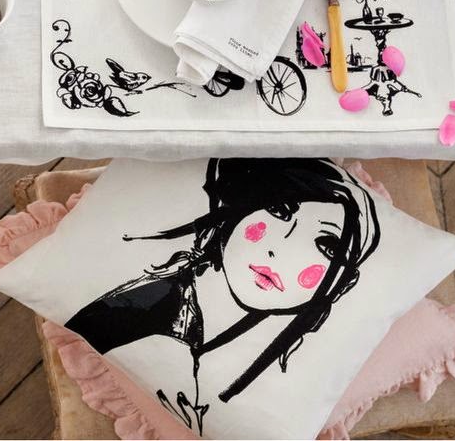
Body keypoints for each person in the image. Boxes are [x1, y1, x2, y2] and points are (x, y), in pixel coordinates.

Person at [66, 158, 380, 434]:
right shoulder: (147, 315)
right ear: (241, 208)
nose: (282, 251)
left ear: (344, 281)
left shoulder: (272, 346)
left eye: (327, 246)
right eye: (279, 211)